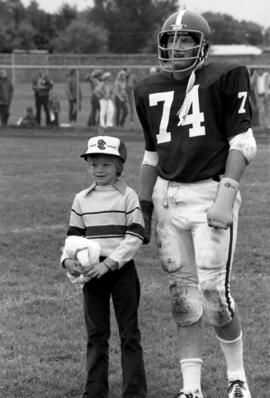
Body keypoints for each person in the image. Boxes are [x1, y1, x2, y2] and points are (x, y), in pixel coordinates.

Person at [134, 9, 257, 398]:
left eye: (185, 39)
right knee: (183, 298)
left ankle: (237, 378)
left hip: (209, 193)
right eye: (170, 40)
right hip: (168, 196)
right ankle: (191, 389)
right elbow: (152, 153)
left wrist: (227, 192)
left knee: (213, 294)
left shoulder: (225, 76)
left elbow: (243, 143)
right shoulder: (147, 87)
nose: (175, 47)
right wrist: (144, 206)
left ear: (202, 45)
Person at [60, 135, 147, 398]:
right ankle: (95, 392)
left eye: (106, 165)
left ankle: (134, 392)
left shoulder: (128, 197)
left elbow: (135, 238)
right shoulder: (81, 199)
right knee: (96, 335)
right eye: (93, 164)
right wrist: (67, 261)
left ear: (119, 166)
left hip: (121, 273)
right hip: (91, 274)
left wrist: (109, 264)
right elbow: (72, 239)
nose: (98, 170)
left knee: (129, 334)